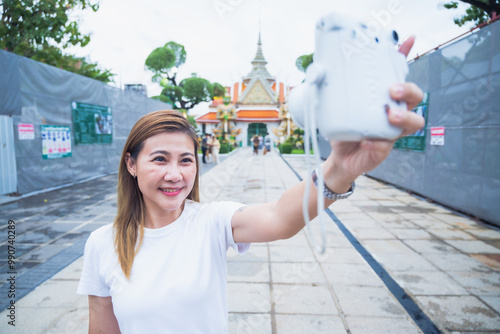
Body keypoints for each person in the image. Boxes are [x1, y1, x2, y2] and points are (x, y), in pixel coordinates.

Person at [77, 37, 424, 333]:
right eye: (159, 159)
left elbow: (280, 217)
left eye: (186, 160)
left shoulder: (210, 222)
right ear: (131, 164)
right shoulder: (101, 244)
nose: (175, 174)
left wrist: (340, 168)